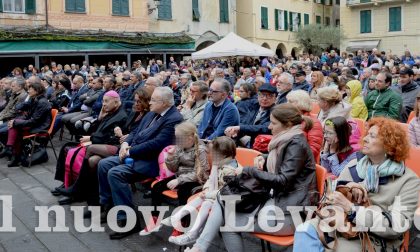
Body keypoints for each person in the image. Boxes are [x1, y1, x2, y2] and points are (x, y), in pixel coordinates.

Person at [186, 103, 318, 252]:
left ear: (287, 124)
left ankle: (198, 244)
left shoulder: (296, 144)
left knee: (227, 221)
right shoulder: (289, 139)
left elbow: (283, 181)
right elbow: (287, 162)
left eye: (273, 123)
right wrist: (265, 157)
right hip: (280, 202)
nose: (269, 127)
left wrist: (250, 170)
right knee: (223, 201)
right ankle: (198, 246)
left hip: (292, 212)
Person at [294, 117, 420, 251]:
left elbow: (397, 226)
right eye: (367, 134)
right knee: (304, 230)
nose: (364, 139)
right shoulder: (355, 165)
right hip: (339, 221)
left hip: (373, 237)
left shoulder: (408, 180)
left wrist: (352, 209)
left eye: (372, 136)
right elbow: (332, 198)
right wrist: (347, 189)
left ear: (390, 146)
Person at [97, 87, 183, 240]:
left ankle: (129, 221)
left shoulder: (174, 118)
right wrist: (125, 145)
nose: (149, 103)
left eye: (153, 100)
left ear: (163, 103)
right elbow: (136, 132)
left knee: (115, 173)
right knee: (103, 164)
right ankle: (108, 205)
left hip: (152, 161)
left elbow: (157, 144)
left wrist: (130, 151)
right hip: (135, 153)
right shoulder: (152, 113)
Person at [164, 136, 240, 246]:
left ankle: (192, 234)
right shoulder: (218, 164)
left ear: (222, 154)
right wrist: (206, 189)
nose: (211, 154)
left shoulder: (230, 170)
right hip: (215, 194)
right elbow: (210, 180)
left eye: (213, 152)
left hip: (227, 200)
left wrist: (208, 194)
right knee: (201, 198)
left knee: (206, 203)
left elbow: (225, 191)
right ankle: (176, 218)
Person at [140, 121, 209, 236]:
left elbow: (200, 172)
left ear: (190, 138)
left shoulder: (200, 150)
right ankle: (155, 219)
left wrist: (179, 180)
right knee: (157, 187)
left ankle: (181, 225)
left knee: (183, 193)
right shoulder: (180, 148)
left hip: (195, 180)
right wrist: (171, 157)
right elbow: (173, 169)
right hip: (180, 177)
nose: (177, 141)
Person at [0, 82, 51, 167]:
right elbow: (19, 107)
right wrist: (25, 103)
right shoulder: (34, 98)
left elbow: (34, 121)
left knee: (14, 126)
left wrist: (16, 122)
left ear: (37, 91)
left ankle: (12, 151)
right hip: (32, 122)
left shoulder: (42, 102)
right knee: (13, 124)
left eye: (30, 89)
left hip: (39, 126)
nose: (28, 91)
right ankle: (14, 152)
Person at [286, 90, 323, 161]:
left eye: (290, 102)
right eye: (287, 101)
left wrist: (292, 159)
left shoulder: (313, 122)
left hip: (301, 162)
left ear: (301, 103)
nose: (287, 104)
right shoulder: (288, 118)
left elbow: (313, 149)